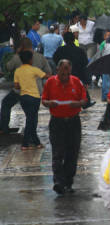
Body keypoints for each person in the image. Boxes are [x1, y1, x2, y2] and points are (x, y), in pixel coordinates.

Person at [42, 59, 87, 194]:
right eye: (62, 71)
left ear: (70, 70)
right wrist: (49, 103)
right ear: (58, 70)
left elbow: (85, 100)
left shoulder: (77, 82)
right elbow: (43, 100)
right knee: (57, 152)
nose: (64, 75)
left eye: (67, 70)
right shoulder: (50, 82)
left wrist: (78, 103)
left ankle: (68, 182)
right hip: (57, 122)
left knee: (72, 152)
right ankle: (58, 182)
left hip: (73, 122)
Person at [1, 38, 51, 134]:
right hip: (36, 91)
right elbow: (48, 72)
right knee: (32, 113)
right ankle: (32, 134)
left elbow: (8, 67)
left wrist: (16, 53)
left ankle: (4, 128)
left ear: (21, 47)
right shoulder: (40, 57)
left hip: (19, 90)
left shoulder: (17, 57)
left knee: (6, 104)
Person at [14, 51, 50, 150]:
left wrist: (23, 85)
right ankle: (25, 143)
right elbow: (46, 76)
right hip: (34, 97)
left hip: (23, 97)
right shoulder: (34, 69)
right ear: (31, 60)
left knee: (31, 119)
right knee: (31, 120)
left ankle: (36, 142)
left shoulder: (17, 71)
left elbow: (16, 86)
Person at [53, 32, 96, 109]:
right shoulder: (80, 51)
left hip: (64, 74)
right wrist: (87, 80)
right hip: (78, 74)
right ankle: (86, 102)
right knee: (82, 89)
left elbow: (55, 60)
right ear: (74, 39)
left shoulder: (60, 50)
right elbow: (85, 64)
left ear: (64, 40)